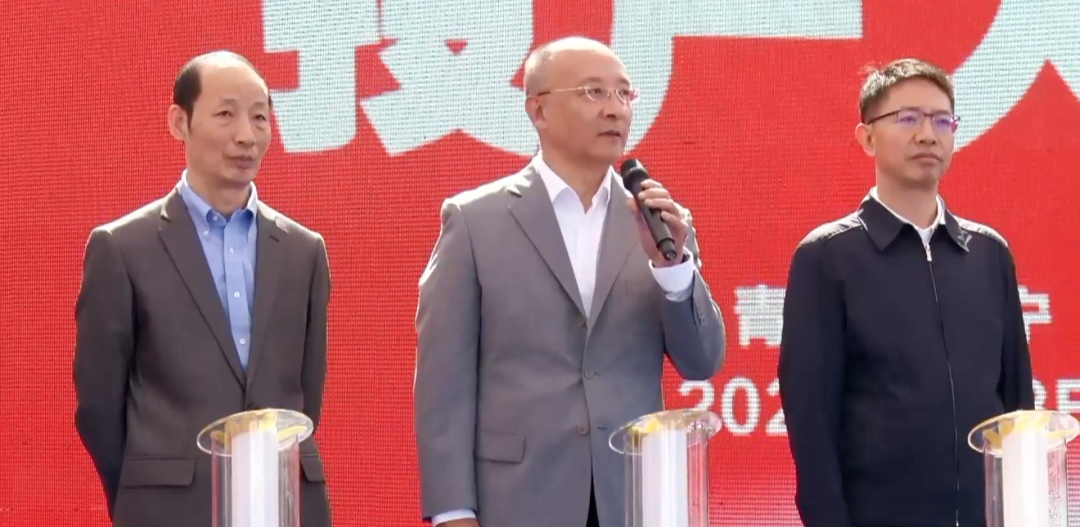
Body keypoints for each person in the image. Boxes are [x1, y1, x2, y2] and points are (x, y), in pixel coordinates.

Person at [412, 36, 727, 527]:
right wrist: (453, 511)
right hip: (518, 499)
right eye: (593, 92)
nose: (615, 109)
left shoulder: (660, 223)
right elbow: (443, 385)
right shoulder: (474, 221)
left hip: (632, 498)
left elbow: (701, 361)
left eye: (624, 94)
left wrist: (674, 270)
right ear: (538, 110)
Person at [73, 51, 332, 527]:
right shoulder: (123, 248)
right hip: (167, 509)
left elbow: (306, 395)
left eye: (260, 117)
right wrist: (143, 488)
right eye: (226, 114)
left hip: (284, 506)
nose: (246, 135)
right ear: (180, 122)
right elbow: (98, 405)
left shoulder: (304, 250)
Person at [778, 58, 1035, 527]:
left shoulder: (988, 254)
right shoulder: (827, 257)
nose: (927, 135)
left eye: (942, 121)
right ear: (867, 137)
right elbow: (811, 424)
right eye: (908, 119)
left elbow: (1017, 404)